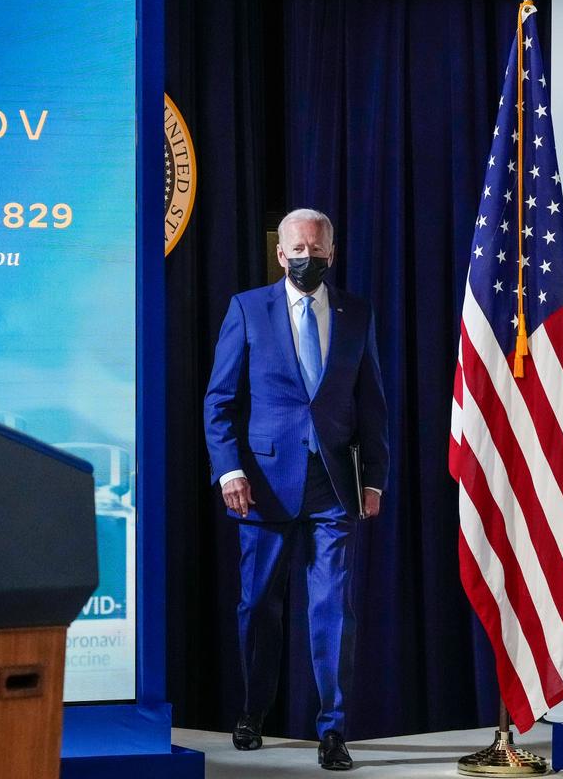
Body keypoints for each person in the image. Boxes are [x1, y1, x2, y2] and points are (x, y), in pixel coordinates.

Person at [203, 208, 389, 771]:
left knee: (333, 607)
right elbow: (220, 401)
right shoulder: (247, 308)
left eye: (318, 248)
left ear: (331, 253)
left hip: (334, 484)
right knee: (259, 605)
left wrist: (376, 477)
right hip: (260, 486)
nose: (308, 257)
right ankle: (253, 713)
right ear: (281, 254)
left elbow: (372, 404)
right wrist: (229, 471)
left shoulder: (356, 312)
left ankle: (333, 731)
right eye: (297, 249)